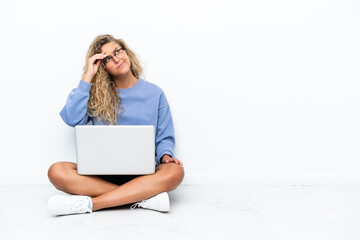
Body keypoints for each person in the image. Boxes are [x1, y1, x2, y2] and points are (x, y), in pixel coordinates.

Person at [47, 34, 184, 216]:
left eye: (117, 51)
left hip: (143, 175)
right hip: (101, 174)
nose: (117, 58)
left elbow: (164, 137)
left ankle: (93, 204)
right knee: (56, 171)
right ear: (103, 67)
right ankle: (143, 199)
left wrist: (166, 157)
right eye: (108, 59)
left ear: (126, 52)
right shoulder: (96, 95)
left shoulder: (155, 93)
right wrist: (88, 76)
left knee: (175, 171)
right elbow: (72, 119)